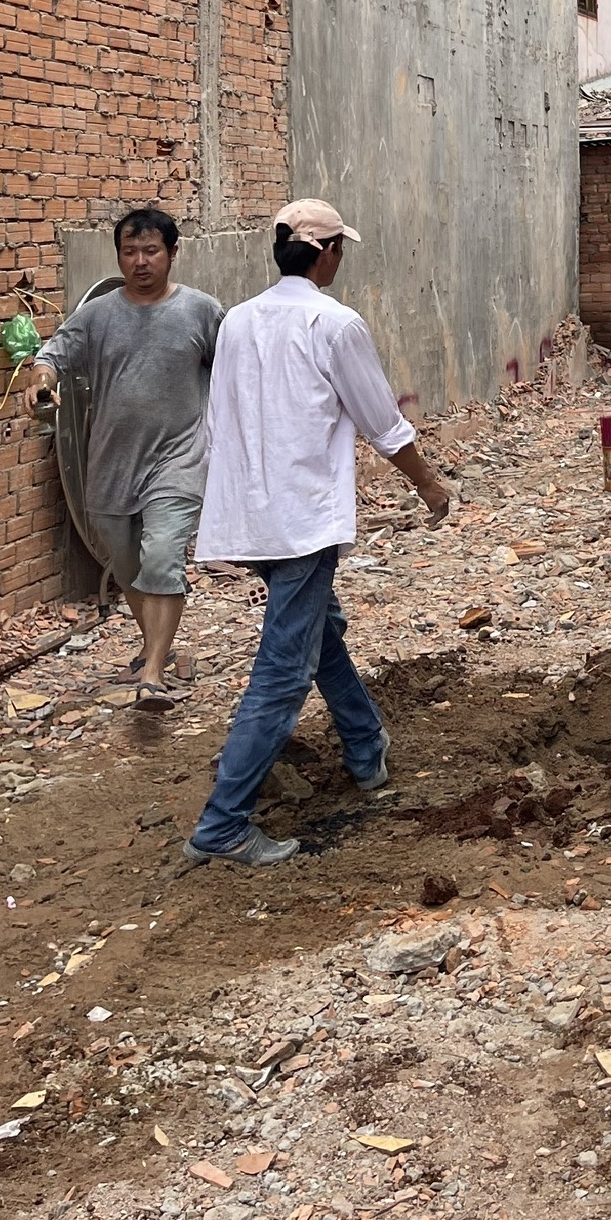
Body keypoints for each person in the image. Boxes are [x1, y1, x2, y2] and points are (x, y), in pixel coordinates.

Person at [183, 199, 453, 867]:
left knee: (315, 630)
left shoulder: (238, 320)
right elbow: (382, 422)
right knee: (284, 670)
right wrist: (428, 483)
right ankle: (223, 824)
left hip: (250, 514)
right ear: (327, 252)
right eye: (339, 249)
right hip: (301, 519)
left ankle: (364, 746)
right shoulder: (334, 324)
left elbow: (217, 422)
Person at [27, 205, 221, 708]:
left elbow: (235, 371)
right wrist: (42, 382)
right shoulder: (98, 315)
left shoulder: (201, 311)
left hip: (179, 459)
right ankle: (157, 647)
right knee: (129, 567)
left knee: (162, 559)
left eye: (151, 251)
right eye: (130, 251)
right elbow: (52, 356)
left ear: (172, 253)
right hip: (111, 463)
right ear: (118, 256)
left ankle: (152, 674)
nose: (140, 261)